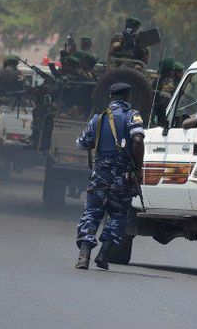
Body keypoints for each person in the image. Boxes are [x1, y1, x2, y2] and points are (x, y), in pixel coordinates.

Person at [74, 82, 145, 270]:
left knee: (92, 213)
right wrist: (138, 169)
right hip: (122, 176)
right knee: (118, 215)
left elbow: (81, 144)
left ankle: (84, 256)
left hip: (100, 175)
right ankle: (104, 254)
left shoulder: (98, 118)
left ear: (111, 97)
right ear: (128, 97)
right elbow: (138, 140)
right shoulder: (133, 116)